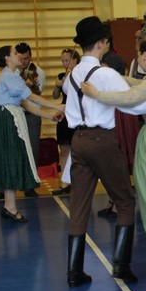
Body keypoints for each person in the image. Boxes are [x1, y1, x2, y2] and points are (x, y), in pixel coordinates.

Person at [82, 35, 146, 279]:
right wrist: (112, 76)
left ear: (144, 56)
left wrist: (97, 93)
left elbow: (131, 96)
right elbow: (137, 84)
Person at [61, 17, 142, 288]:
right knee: (125, 201)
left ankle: (74, 272)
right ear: (101, 43)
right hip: (103, 140)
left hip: (79, 141)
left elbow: (68, 97)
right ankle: (121, 265)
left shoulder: (72, 75)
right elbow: (131, 103)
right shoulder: (106, 74)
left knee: (79, 206)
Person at [0, 45, 64, 223]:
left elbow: (24, 103)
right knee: (11, 159)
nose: (19, 55)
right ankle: (10, 207)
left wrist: (49, 115)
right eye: (15, 53)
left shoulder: (13, 75)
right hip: (6, 120)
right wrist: (56, 106)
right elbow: (31, 97)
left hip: (9, 118)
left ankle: (9, 206)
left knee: (11, 160)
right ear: (7, 58)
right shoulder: (9, 77)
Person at [15, 42, 46, 198]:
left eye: (26, 58)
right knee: (13, 150)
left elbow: (38, 93)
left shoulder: (37, 72)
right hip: (16, 114)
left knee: (32, 150)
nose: (23, 62)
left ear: (31, 56)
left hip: (32, 115)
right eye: (20, 58)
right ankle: (7, 187)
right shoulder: (12, 72)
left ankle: (30, 185)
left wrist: (29, 86)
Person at [51, 48, 80, 196]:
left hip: (76, 113)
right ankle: (64, 182)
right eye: (62, 61)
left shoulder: (80, 75)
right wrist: (58, 85)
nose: (64, 63)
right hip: (64, 113)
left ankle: (76, 182)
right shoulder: (62, 76)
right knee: (63, 149)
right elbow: (55, 96)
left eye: (67, 60)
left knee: (76, 149)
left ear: (75, 60)